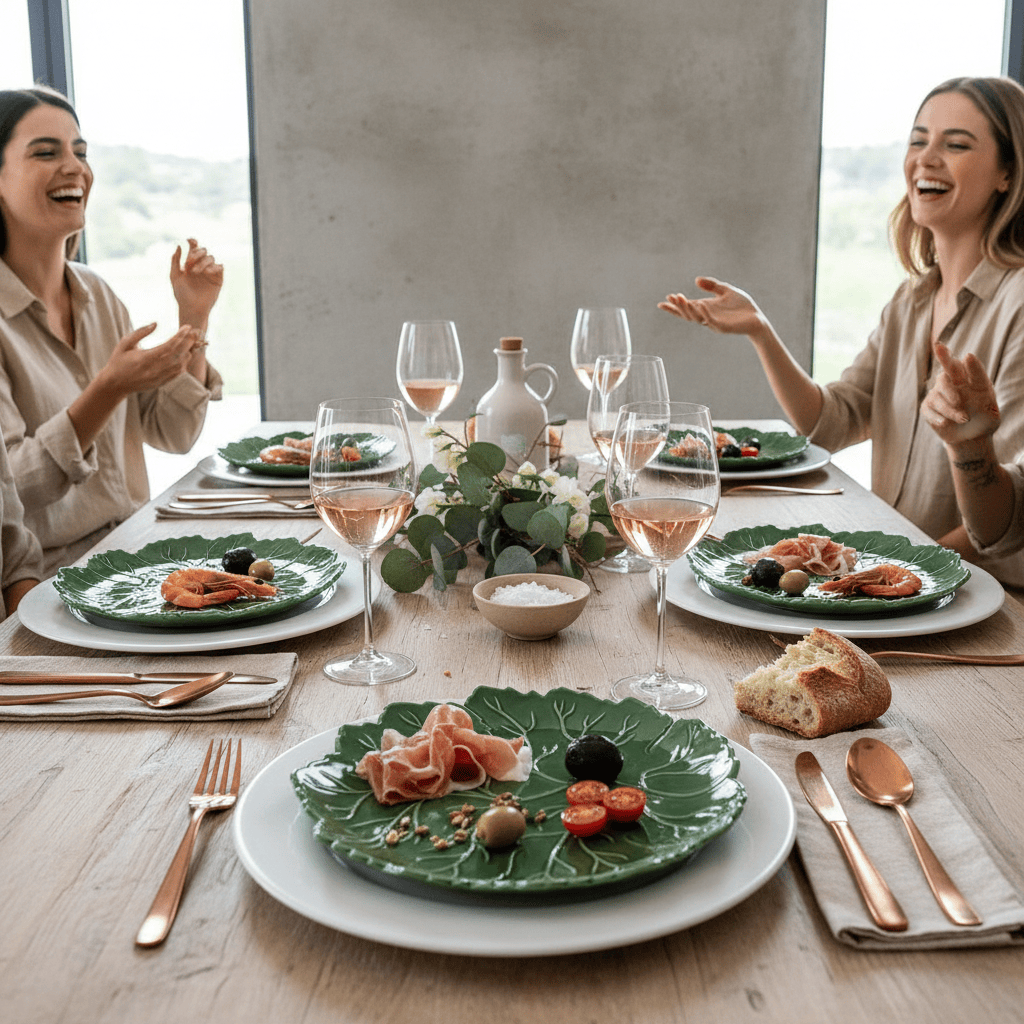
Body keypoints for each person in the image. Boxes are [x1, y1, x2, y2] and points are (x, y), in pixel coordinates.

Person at [660, 76, 1024, 584]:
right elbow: (832, 422)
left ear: (1008, 172)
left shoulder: (1019, 303)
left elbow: (1011, 521)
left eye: (956, 144)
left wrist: (901, 571)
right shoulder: (911, 300)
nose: (927, 157)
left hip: (982, 599)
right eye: (919, 140)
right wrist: (761, 332)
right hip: (902, 583)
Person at [0, 87, 223, 574]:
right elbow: (14, 486)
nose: (74, 167)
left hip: (139, 552)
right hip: (49, 579)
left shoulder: (97, 294)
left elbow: (174, 433)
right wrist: (109, 387)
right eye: (46, 152)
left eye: (80, 152)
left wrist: (194, 319)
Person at [921, 340, 1024, 557]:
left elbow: (1007, 529)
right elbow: (1008, 521)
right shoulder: (901, 307)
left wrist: (922, 562)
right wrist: (970, 446)